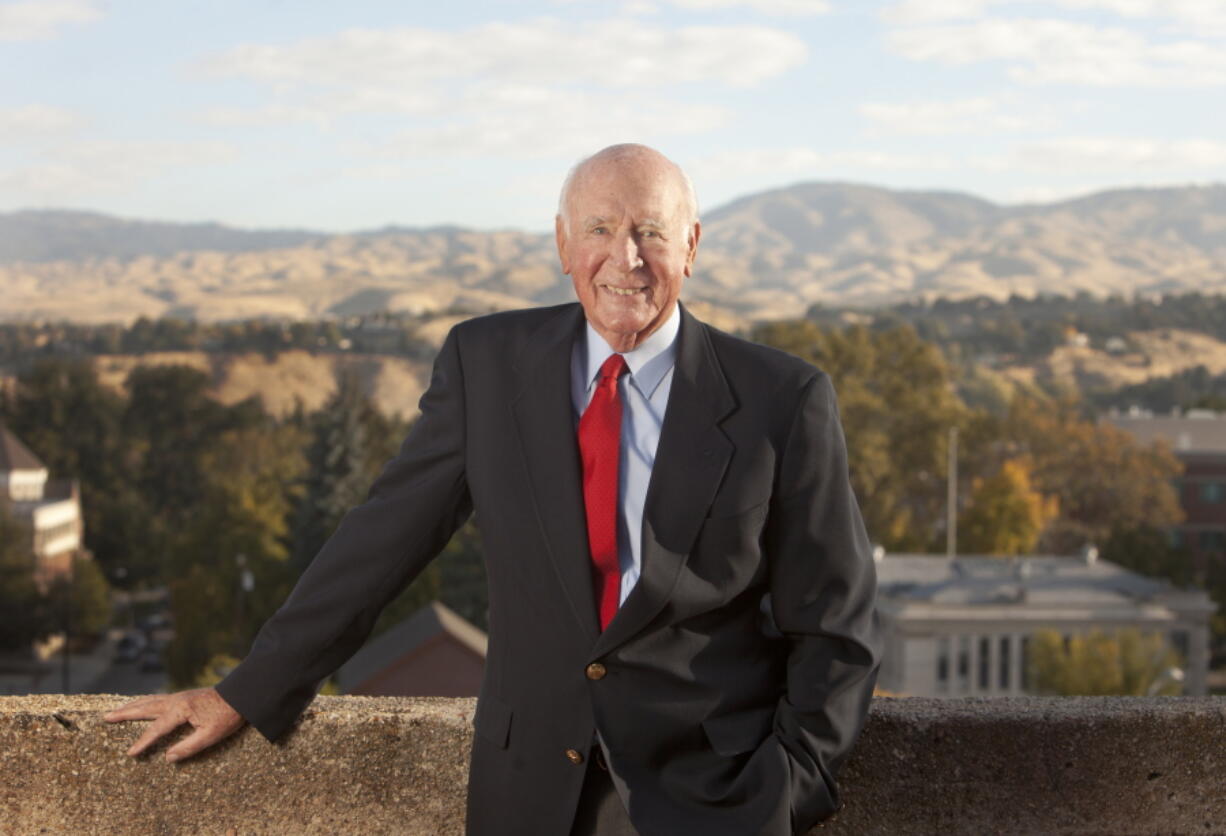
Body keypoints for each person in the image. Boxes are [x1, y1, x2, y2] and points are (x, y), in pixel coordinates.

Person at [105, 143, 881, 836]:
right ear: (561, 244)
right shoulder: (487, 365)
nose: (626, 257)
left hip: (716, 803)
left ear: (692, 245)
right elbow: (383, 541)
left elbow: (836, 625)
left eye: (650, 230)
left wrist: (789, 791)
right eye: (600, 230)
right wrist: (247, 690)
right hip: (529, 796)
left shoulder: (783, 398)